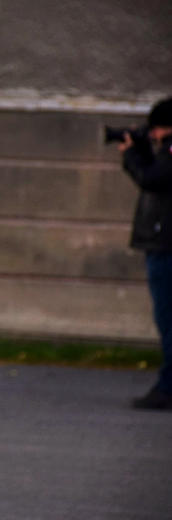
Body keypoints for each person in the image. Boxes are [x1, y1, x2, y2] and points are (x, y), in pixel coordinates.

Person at [119, 96, 172, 410]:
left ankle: (167, 386)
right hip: (162, 245)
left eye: (156, 128)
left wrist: (131, 157)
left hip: (165, 246)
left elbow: (152, 179)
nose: (152, 135)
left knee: (168, 319)